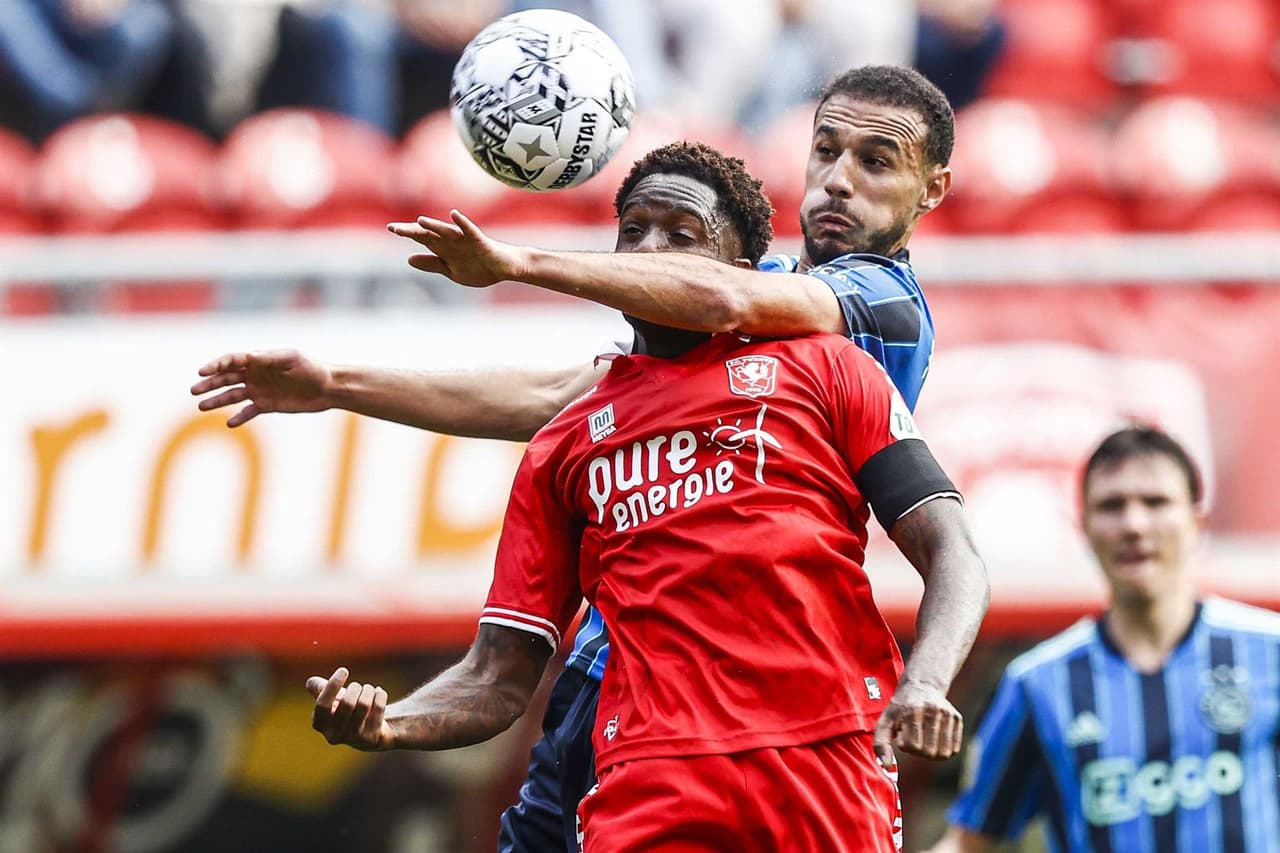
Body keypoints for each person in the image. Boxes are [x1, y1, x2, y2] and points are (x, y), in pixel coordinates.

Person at [192, 64, 956, 852]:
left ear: (932, 189)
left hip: (769, 711)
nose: (837, 181)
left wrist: (519, 263)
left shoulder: (874, 309)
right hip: (620, 679)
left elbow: (720, 298)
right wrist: (338, 384)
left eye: (874, 161)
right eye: (826, 151)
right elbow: (558, 394)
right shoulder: (636, 386)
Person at [928, 426, 1280, 853]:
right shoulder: (1038, 684)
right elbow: (970, 843)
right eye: (1112, 506)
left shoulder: (1270, 652)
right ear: (1084, 527)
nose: (1134, 524)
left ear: (1196, 520)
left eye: (1155, 502)